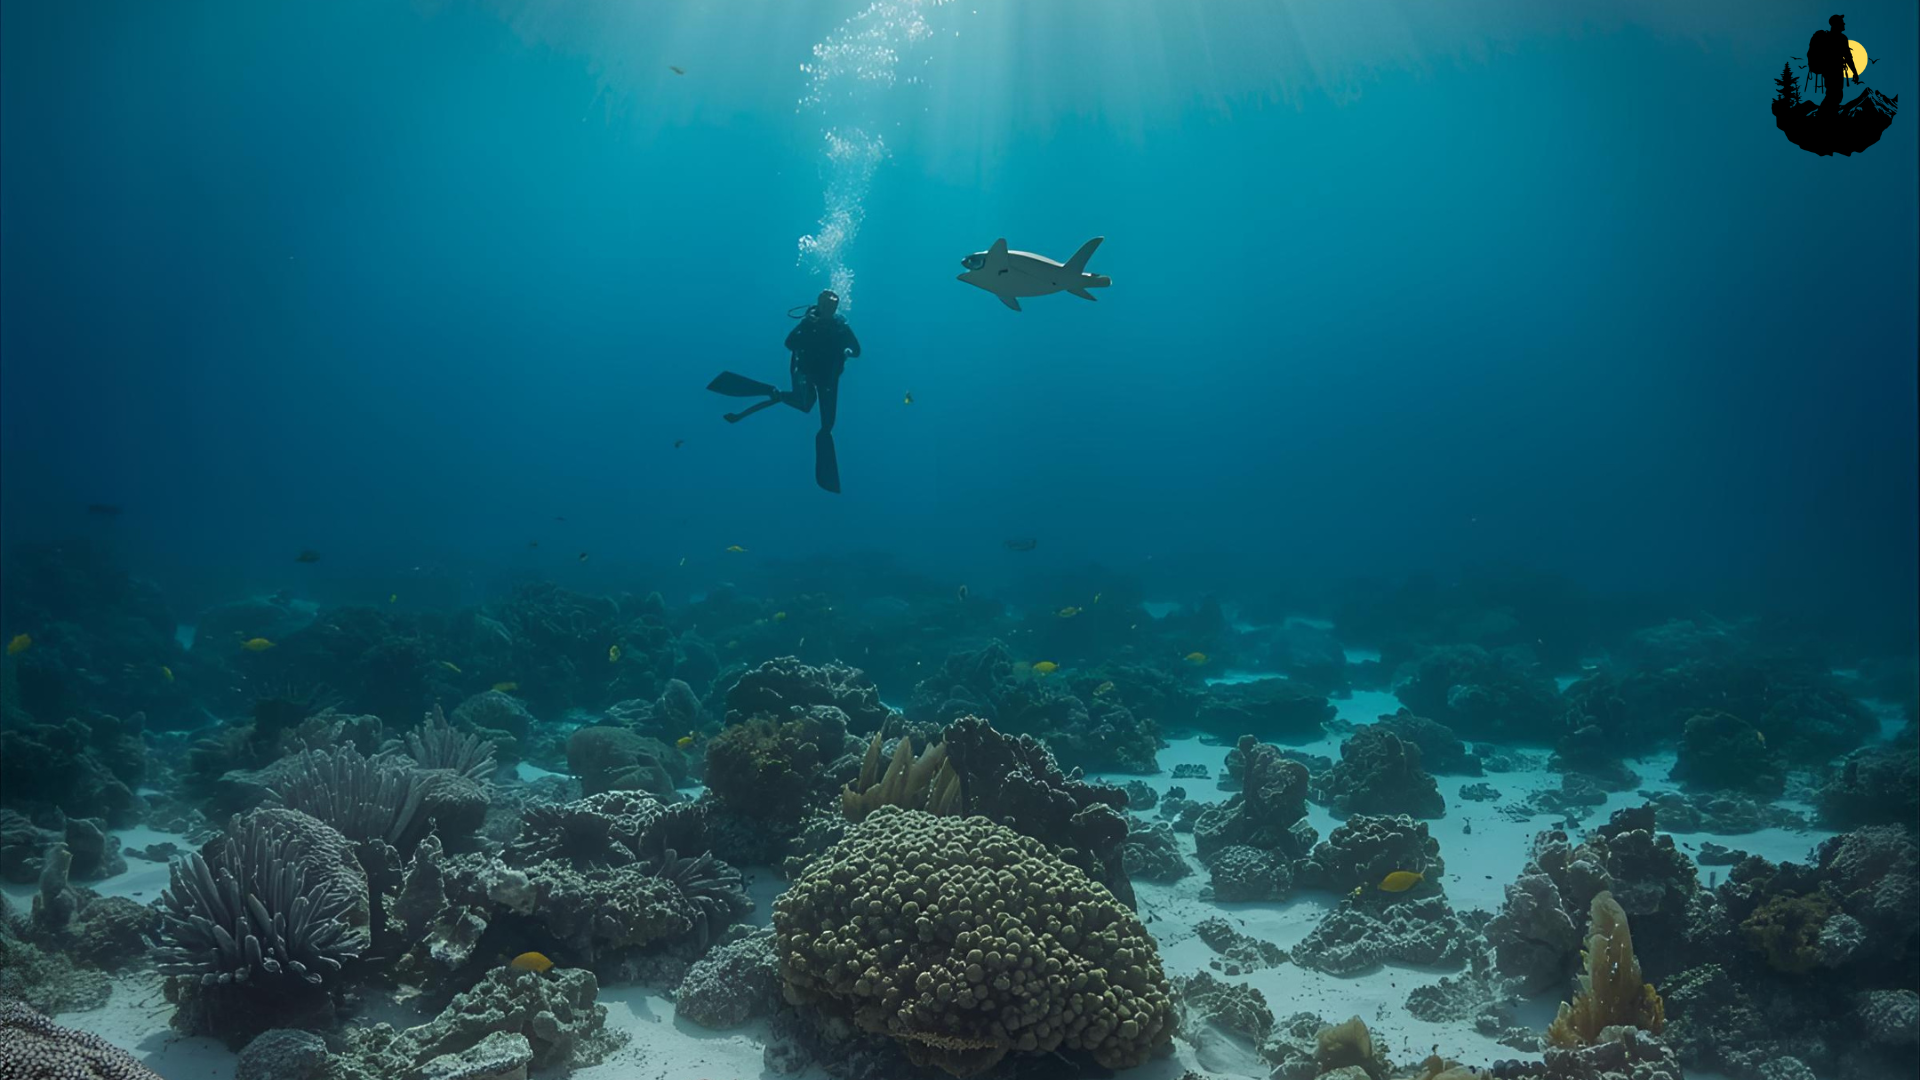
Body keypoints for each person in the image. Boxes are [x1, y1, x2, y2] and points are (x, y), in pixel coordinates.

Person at [705, 290, 863, 491]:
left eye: (833, 303)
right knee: (805, 404)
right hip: (805, 373)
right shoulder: (808, 323)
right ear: (820, 304)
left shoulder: (841, 326)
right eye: (826, 303)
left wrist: (847, 351)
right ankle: (771, 392)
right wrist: (807, 327)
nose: (829, 307)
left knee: (826, 425)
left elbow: (857, 351)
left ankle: (776, 395)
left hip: (828, 379)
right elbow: (789, 344)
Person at [1807, 15, 1858, 111]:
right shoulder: (1841, 38)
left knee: (1833, 94)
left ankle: (1826, 115)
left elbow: (1847, 57)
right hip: (1834, 71)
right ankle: (1824, 116)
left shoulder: (1829, 37)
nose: (1844, 23)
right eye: (1842, 22)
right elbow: (1848, 57)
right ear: (1836, 24)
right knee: (1834, 95)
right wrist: (1854, 72)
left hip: (1829, 71)